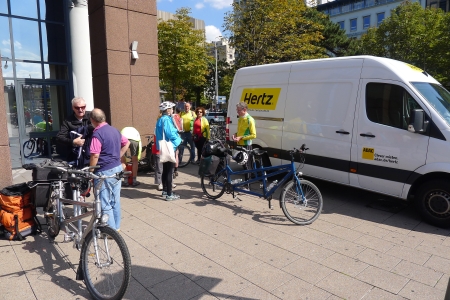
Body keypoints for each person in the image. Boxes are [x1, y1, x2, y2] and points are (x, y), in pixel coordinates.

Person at [89, 108, 130, 230]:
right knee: (115, 200)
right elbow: (126, 142)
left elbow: (95, 155)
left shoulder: (97, 134)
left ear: (92, 120)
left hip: (104, 171)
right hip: (117, 168)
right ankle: (116, 228)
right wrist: (118, 155)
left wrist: (90, 171)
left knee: (105, 202)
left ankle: (110, 231)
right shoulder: (114, 130)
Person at [155, 101, 181, 201]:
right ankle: (169, 194)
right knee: (169, 171)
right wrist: (179, 140)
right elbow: (170, 133)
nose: (172, 110)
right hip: (169, 146)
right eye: (171, 108)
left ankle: (165, 191)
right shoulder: (166, 119)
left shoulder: (160, 119)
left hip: (163, 147)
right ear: (167, 110)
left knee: (165, 170)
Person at [56, 97, 93, 166]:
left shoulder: (91, 116)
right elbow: (59, 137)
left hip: (91, 155)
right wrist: (73, 142)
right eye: (77, 108)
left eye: (83, 107)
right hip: (75, 156)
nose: (80, 110)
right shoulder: (68, 121)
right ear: (73, 108)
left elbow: (100, 127)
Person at [233, 102, 257, 186]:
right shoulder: (240, 118)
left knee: (247, 165)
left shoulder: (250, 119)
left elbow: (254, 135)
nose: (237, 112)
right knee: (242, 164)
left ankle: (247, 185)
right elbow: (240, 131)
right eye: (237, 110)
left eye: (239, 110)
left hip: (246, 145)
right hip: (240, 144)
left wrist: (241, 138)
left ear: (244, 109)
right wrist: (235, 135)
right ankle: (247, 182)